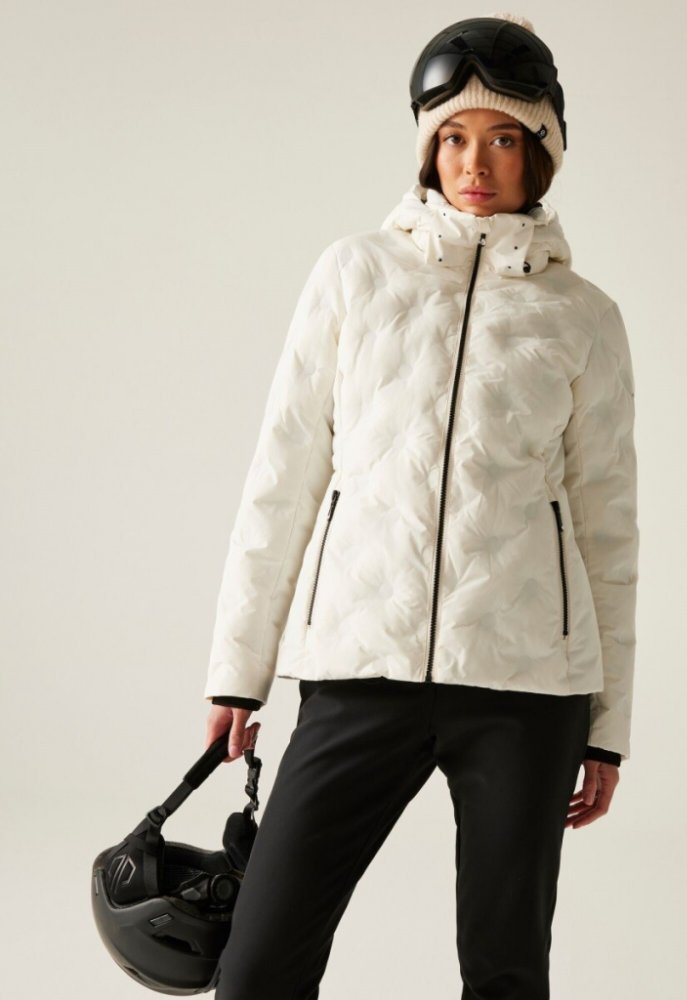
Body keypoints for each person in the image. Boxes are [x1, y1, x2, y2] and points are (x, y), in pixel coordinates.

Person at [202, 13, 639, 999]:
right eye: (453, 136)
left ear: (541, 153)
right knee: (259, 968)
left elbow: (608, 526)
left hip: (527, 689)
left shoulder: (584, 318)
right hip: (361, 666)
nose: (474, 162)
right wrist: (239, 668)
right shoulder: (353, 274)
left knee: (505, 972)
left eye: (503, 138)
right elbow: (283, 476)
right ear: (426, 147)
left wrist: (606, 726)